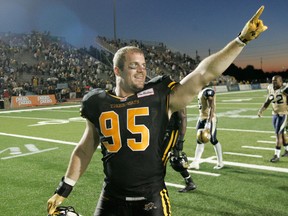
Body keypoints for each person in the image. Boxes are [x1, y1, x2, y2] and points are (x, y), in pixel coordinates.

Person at [47, 6, 267, 216]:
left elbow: (203, 74)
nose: (142, 71)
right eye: (134, 66)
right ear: (117, 70)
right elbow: (85, 148)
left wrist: (241, 40)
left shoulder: (159, 94)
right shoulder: (97, 102)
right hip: (111, 197)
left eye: (143, 65)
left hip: (151, 197)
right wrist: (64, 188)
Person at [189, 86, 224, 170]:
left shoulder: (208, 91)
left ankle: (220, 162)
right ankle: (196, 162)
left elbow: (211, 106)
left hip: (208, 119)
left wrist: (208, 122)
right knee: (199, 139)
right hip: (201, 118)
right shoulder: (201, 91)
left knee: (213, 140)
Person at [165, 108, 197, 193]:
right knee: (177, 159)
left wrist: (180, 139)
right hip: (164, 130)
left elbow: (183, 117)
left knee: (177, 159)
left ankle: (154, 185)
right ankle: (190, 182)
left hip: (171, 131)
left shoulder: (176, 96)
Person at [257, 75, 288, 162]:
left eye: (276, 81)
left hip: (283, 114)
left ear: (281, 82)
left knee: (278, 134)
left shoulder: (285, 89)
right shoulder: (270, 88)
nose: (273, 83)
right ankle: (287, 150)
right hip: (275, 114)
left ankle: (276, 155)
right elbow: (268, 101)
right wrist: (261, 110)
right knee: (281, 133)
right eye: (273, 81)